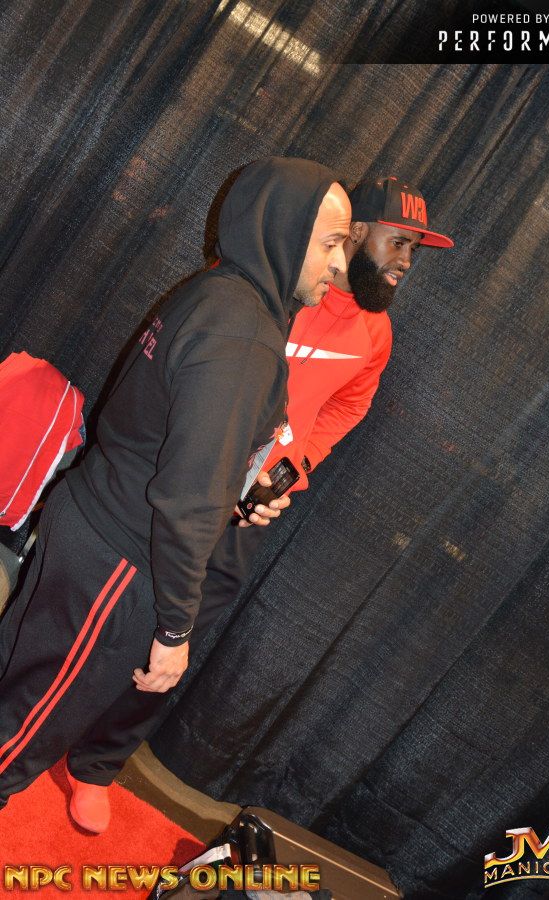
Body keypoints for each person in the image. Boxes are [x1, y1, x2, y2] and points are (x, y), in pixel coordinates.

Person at [0, 156, 352, 831]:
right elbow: (188, 498)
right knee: (26, 726)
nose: (340, 266)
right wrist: (174, 629)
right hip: (118, 563)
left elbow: (172, 440)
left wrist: (241, 493)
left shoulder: (218, 293)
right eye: (331, 243)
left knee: (16, 681)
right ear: (283, 230)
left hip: (91, 523)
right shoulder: (243, 333)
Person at [157, 176, 455, 681]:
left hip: (251, 510)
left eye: (414, 249)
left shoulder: (376, 333)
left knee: (181, 647)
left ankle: (115, 732)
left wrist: (296, 463)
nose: (407, 260)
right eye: (399, 242)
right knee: (137, 613)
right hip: (189, 480)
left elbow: (349, 406)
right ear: (356, 231)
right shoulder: (276, 284)